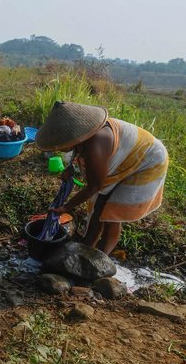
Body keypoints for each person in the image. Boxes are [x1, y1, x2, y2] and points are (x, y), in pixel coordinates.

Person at [35, 101, 168, 255]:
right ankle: (88, 246)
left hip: (147, 162)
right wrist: (71, 167)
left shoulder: (96, 146)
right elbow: (80, 152)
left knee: (111, 212)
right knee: (101, 207)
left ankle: (101, 256)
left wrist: (66, 207)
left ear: (73, 137)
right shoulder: (84, 135)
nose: (57, 148)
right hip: (125, 156)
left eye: (59, 144)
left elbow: (95, 186)